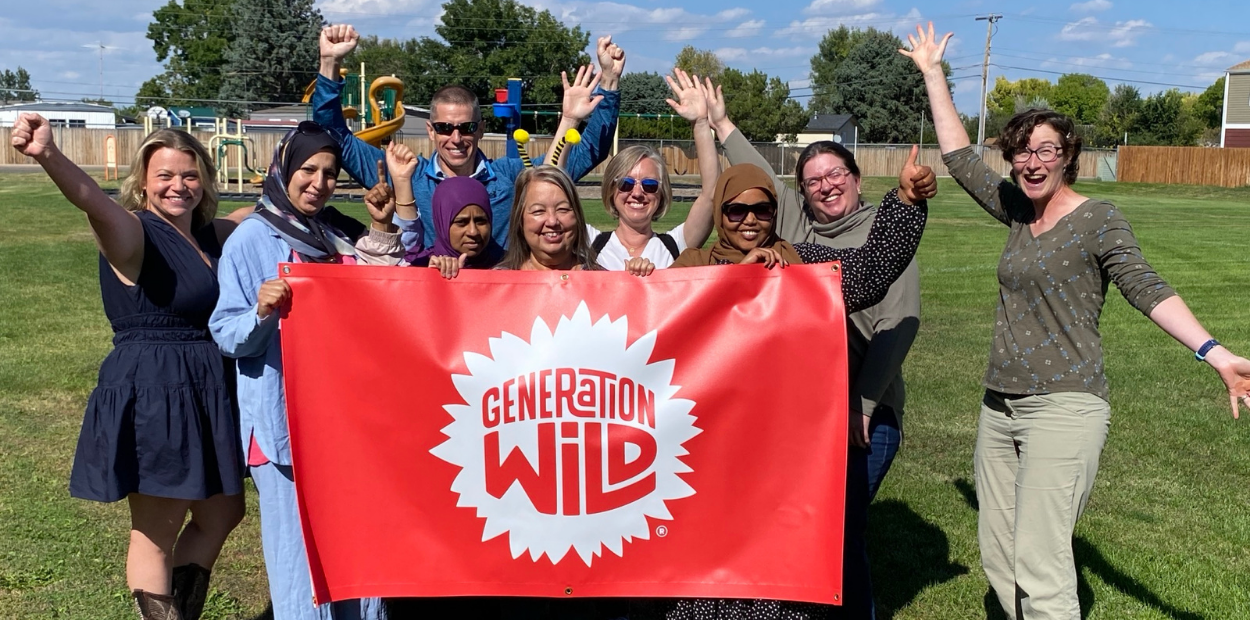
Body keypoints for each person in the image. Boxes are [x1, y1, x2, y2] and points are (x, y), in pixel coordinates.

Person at [900, 22, 1250, 620]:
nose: (1033, 162)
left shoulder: (1099, 219)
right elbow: (959, 158)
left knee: (1040, 557)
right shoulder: (1015, 210)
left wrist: (1214, 352)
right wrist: (934, 74)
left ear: (1068, 158)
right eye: (1022, 151)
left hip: (1065, 404)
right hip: (998, 405)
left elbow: (1145, 287)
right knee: (999, 557)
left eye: (1046, 151)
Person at [650, 161, 934, 620]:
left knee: (778, 562)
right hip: (705, 448)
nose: (749, 220)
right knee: (707, 558)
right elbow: (655, 331)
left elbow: (872, 269)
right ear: (720, 213)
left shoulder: (801, 262)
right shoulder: (692, 264)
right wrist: (734, 281)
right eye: (735, 209)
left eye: (761, 210)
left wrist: (905, 202)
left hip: (781, 450)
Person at [10, 114, 248, 620]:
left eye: (188, 174)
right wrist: (48, 154)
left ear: (204, 178)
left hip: (205, 387)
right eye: (164, 175)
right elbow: (91, 201)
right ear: (143, 182)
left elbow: (261, 214)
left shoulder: (210, 237)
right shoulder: (133, 231)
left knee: (224, 511)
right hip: (156, 389)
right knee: (157, 529)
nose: (177, 186)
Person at [209, 121, 405, 620]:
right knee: (300, 564)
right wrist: (259, 311)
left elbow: (387, 292)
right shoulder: (250, 240)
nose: (318, 182)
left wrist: (381, 228)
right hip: (282, 431)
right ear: (283, 169)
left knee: (357, 550)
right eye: (308, 170)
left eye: (329, 173)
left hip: (345, 423)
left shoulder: (336, 232)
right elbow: (226, 333)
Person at [707, 79, 916, 503]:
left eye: (835, 173)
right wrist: (719, 123)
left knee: (842, 530)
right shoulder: (796, 235)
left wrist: (863, 404)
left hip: (864, 408)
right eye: (813, 181)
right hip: (806, 407)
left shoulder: (879, 238)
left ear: (857, 178)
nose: (826, 185)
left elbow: (898, 322)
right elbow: (757, 186)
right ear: (801, 193)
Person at [314, 24, 623, 253]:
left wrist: (607, 85)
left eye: (466, 127)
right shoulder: (404, 174)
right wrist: (329, 65)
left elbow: (585, 154)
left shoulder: (511, 178)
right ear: (431, 131)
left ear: (480, 128)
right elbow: (334, 138)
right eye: (446, 128)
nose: (457, 137)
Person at [577, 68, 717, 269]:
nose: (637, 193)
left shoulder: (675, 245)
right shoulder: (590, 244)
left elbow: (711, 195)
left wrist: (701, 123)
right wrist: (570, 121)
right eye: (626, 184)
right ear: (611, 189)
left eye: (649, 185)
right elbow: (545, 191)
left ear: (661, 193)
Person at [495, 166, 653, 275]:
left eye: (563, 209)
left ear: (577, 215)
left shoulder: (601, 282)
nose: (552, 221)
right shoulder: (497, 284)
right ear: (520, 220)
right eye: (538, 211)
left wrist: (633, 289)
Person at [406, 176, 502, 275]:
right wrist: (432, 277)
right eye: (461, 222)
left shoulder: (508, 265)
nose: (473, 232)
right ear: (442, 224)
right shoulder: (418, 267)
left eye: (481, 221)